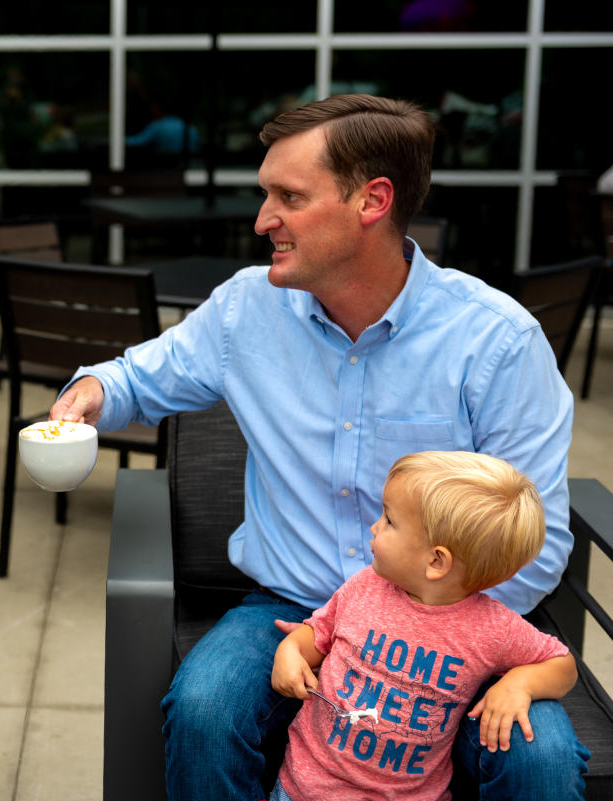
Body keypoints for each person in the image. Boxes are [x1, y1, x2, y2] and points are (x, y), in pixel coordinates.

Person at [49, 94, 588, 799]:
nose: (262, 219)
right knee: (206, 709)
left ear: (372, 201)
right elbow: (135, 378)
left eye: (288, 197)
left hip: (457, 623)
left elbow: (538, 542)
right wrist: (86, 395)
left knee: (538, 761)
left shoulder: (496, 341)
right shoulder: (247, 308)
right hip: (287, 605)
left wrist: (415, 637)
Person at [270, 451, 577, 801]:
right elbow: (318, 634)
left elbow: (562, 664)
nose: (374, 526)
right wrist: (290, 649)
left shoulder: (494, 629)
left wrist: (520, 684)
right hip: (304, 789)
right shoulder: (364, 587)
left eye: (389, 520)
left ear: (436, 561)